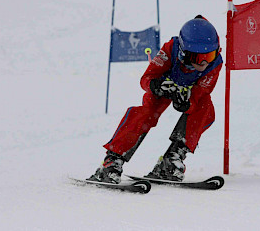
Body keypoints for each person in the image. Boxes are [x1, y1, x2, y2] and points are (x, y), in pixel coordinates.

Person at [90, 15, 223, 184]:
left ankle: (172, 159)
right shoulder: (171, 49)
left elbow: (203, 90)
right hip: (163, 88)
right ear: (184, 52)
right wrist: (156, 85)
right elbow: (146, 78)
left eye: (209, 56)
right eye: (198, 58)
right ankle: (112, 161)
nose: (204, 63)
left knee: (205, 109)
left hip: (187, 93)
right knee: (146, 114)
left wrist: (188, 102)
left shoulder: (216, 63)